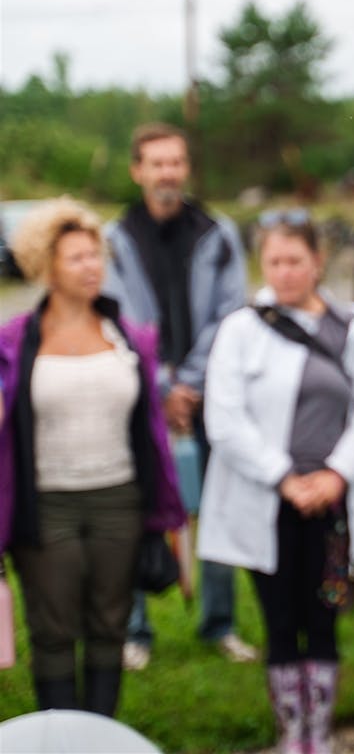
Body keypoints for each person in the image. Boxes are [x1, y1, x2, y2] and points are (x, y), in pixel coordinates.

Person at [197, 213, 354, 754]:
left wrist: (335, 474)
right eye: (274, 261)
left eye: (295, 260)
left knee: (325, 613)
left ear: (317, 261)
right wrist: (284, 478)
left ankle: (320, 731)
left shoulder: (350, 326)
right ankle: (291, 733)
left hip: (333, 506)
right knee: (280, 618)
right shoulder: (242, 329)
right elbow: (225, 418)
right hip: (269, 503)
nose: (284, 272)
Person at [0, 199, 186, 716]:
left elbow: (149, 424)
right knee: (54, 631)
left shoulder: (125, 335)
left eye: (95, 256)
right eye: (76, 258)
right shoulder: (15, 342)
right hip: (47, 504)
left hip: (119, 500)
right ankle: (60, 741)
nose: (91, 267)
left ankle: (101, 736)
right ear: (46, 266)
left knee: (110, 625)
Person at [102, 122, 255, 670]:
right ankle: (136, 630)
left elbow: (232, 313)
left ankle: (219, 623)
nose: (167, 172)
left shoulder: (217, 233)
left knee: (216, 504)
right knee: (135, 507)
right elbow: (117, 312)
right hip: (139, 396)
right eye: (156, 163)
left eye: (176, 162)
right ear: (137, 171)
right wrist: (162, 386)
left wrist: (189, 382)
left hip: (212, 393)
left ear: (186, 168)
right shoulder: (114, 238)